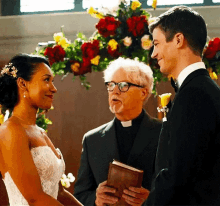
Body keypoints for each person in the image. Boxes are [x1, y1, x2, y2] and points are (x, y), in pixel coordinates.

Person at [145, 6, 220, 205]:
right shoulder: (201, 88)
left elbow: (178, 175)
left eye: (157, 43)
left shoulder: (195, 94)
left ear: (178, 40)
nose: (154, 53)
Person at [74, 57, 162, 206]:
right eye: (111, 85)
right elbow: (80, 196)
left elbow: (180, 190)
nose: (114, 91)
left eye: (122, 85)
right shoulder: (92, 140)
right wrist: (95, 199)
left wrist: (152, 200)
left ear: (143, 92)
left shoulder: (164, 133)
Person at [0, 53, 83, 206]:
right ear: (23, 84)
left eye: (53, 81)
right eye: (46, 80)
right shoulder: (10, 130)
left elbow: (59, 193)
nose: (54, 88)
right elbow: (35, 198)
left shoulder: (39, 132)